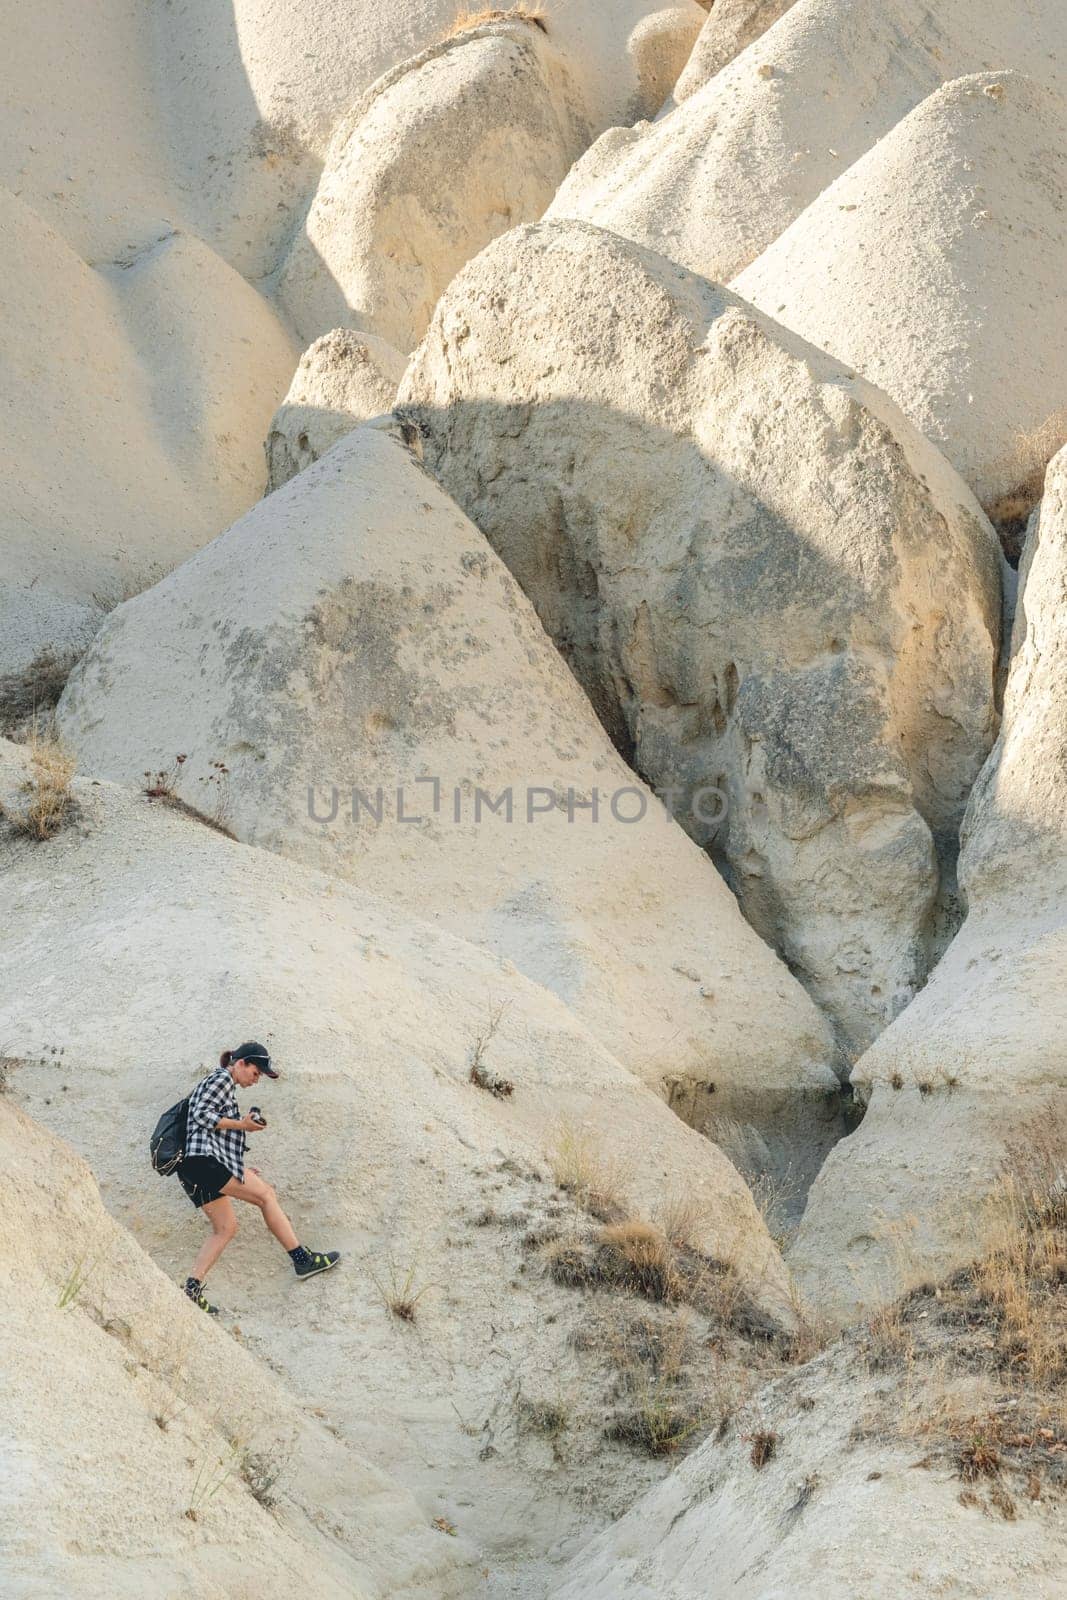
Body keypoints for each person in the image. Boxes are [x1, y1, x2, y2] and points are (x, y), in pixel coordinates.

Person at [179, 1041, 339, 1313]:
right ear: (240, 1063)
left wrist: (238, 1167)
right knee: (266, 1195)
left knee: (226, 1228)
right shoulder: (222, 1079)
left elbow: (209, 1128)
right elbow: (201, 1116)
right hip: (205, 1163)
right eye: (255, 1073)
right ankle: (302, 1259)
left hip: (194, 1167)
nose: (256, 1080)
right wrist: (242, 1124)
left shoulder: (222, 1084)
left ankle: (191, 1289)